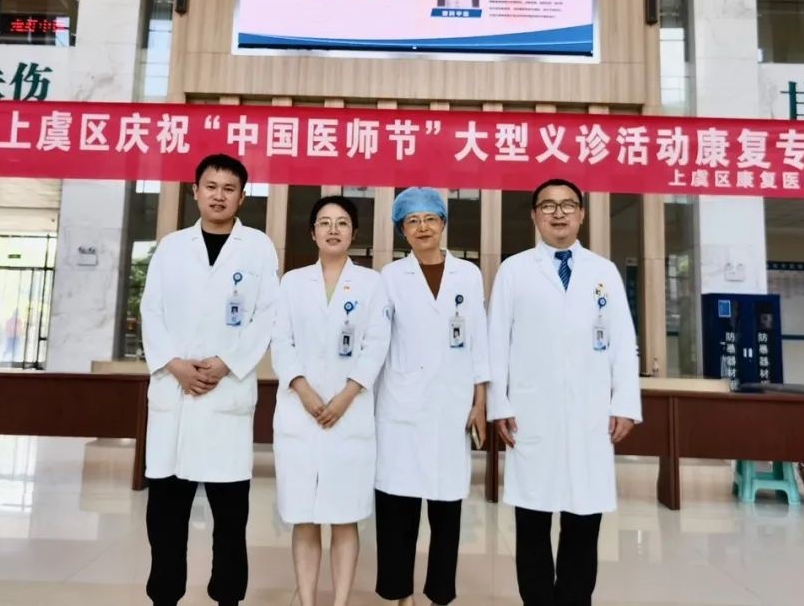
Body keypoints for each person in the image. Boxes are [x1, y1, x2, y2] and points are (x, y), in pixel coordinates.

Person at [487, 178, 641, 606]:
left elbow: (623, 343)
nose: (558, 213)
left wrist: (625, 403)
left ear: (582, 214)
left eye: (568, 205)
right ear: (535, 215)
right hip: (531, 414)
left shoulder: (603, 271)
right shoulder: (515, 270)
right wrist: (499, 403)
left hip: (590, 416)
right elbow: (496, 342)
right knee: (532, 523)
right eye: (548, 206)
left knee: (583, 523)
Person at [140, 153, 279, 606]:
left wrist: (228, 362)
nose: (219, 196)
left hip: (226, 393)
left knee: (230, 514)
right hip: (175, 391)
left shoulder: (257, 247)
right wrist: (174, 364)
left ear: (242, 197)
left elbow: (267, 315)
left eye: (229, 189)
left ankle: (228, 597)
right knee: (166, 512)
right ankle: (165, 595)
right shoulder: (171, 247)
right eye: (211, 187)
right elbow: (151, 311)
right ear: (195, 191)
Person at [271, 196, 392, 606]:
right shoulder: (292, 282)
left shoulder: (373, 283)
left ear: (354, 233)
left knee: (345, 516)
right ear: (313, 233)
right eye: (324, 222)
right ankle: (308, 601)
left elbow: (377, 344)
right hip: (299, 412)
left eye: (342, 223)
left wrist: (346, 395)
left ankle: (340, 602)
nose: (333, 229)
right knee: (303, 516)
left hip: (350, 412)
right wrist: (303, 389)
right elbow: (281, 341)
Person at [374, 187, 489, 606]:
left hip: (451, 405)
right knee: (397, 508)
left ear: (443, 223)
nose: (423, 227)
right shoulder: (390, 277)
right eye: (412, 221)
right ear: (402, 230)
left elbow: (479, 340)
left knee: (446, 510)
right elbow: (377, 342)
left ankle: (440, 594)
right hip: (400, 404)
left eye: (430, 219)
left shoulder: (468, 275)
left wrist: (480, 401)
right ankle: (399, 594)